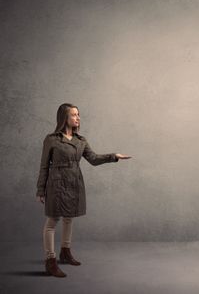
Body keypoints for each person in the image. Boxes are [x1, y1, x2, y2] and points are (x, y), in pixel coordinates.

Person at [35, 103, 131, 277]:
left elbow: (93, 159)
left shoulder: (81, 140)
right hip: (56, 183)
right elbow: (43, 166)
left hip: (74, 183)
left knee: (69, 218)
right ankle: (50, 260)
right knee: (52, 221)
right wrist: (40, 190)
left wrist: (113, 156)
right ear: (64, 117)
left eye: (78, 114)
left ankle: (65, 252)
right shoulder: (51, 139)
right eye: (74, 115)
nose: (78, 118)